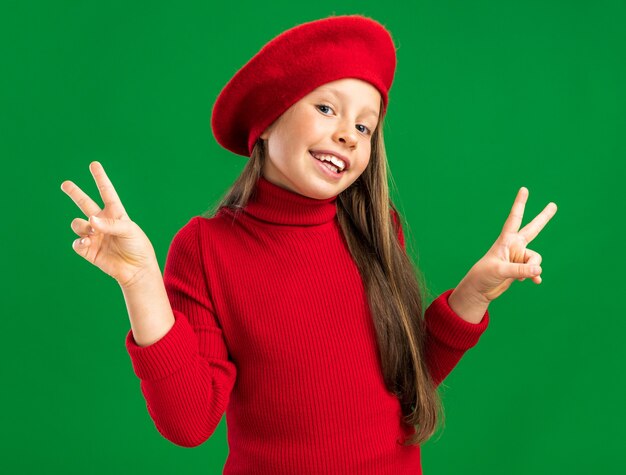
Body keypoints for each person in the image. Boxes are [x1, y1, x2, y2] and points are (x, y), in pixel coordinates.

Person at [60, 14, 558, 475]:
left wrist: (476, 291)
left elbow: (407, 378)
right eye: (326, 108)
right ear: (268, 121)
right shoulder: (206, 249)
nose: (348, 135)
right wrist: (140, 282)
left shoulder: (378, 229)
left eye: (365, 126)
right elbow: (189, 424)